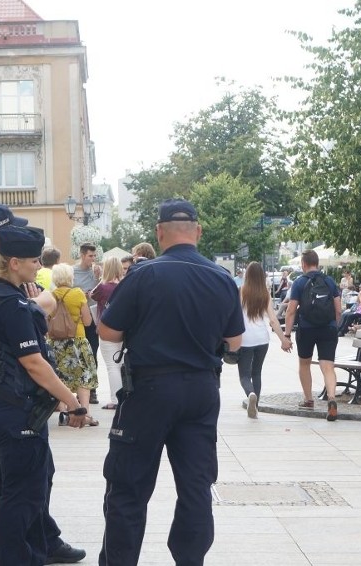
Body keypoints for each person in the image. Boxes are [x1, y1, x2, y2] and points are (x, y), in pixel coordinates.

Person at [97, 198, 244, 566]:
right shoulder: (221, 277)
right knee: (196, 487)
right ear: (198, 231)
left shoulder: (143, 275)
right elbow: (235, 342)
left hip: (149, 389)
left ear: (159, 233)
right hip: (200, 389)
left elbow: (108, 330)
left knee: (128, 487)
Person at [0, 206, 85, 566]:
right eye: (32, 262)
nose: (38, 268)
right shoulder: (11, 303)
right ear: (13, 263)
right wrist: (72, 401)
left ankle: (13, 552)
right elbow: (34, 363)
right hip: (16, 407)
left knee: (17, 486)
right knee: (21, 493)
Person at [283, 249, 342, 421]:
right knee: (328, 366)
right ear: (317, 263)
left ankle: (308, 400)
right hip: (328, 328)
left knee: (304, 364)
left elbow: (291, 310)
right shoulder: (329, 281)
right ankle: (331, 398)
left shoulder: (300, 283)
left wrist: (287, 334)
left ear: (303, 264)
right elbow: (338, 310)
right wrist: (333, 326)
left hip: (307, 329)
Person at [238, 262, 292, 418]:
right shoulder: (265, 293)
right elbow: (273, 320)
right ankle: (256, 405)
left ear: (247, 275)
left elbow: (233, 316)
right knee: (257, 373)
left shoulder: (241, 292)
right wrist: (283, 340)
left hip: (245, 339)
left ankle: (250, 395)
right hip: (262, 339)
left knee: (244, 375)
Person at [48, 263, 100, 426]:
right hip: (77, 342)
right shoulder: (77, 293)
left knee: (59, 377)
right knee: (83, 377)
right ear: (71, 277)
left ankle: (64, 412)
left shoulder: (49, 296)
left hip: (56, 343)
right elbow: (87, 321)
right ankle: (84, 413)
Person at [90, 256, 125, 410]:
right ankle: (125, 397)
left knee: (112, 366)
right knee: (122, 363)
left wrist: (101, 277)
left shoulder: (102, 287)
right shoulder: (124, 285)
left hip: (106, 328)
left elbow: (92, 295)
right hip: (124, 328)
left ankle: (115, 399)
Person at [73, 242, 101, 404]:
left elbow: (102, 291)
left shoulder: (95, 272)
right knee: (77, 355)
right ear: (82, 255)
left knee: (92, 353)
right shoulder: (72, 271)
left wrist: (98, 277)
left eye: (94, 255)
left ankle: (92, 390)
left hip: (92, 317)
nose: (93, 259)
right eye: (90, 255)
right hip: (76, 319)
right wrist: (79, 294)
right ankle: (79, 390)